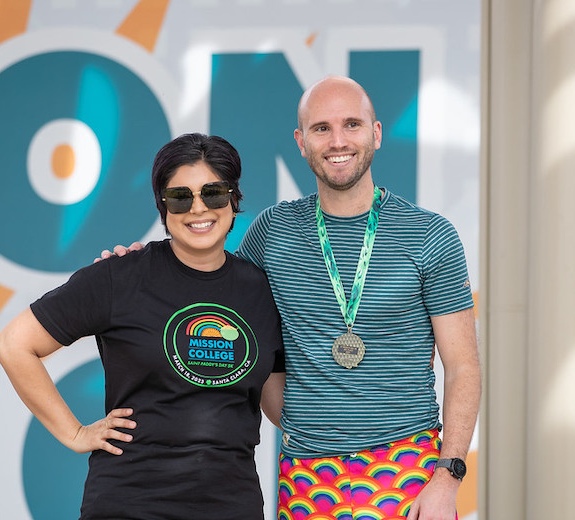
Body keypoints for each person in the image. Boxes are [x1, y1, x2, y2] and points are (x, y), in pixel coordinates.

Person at [104, 76, 481, 520]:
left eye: (352, 125)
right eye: (321, 128)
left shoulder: (429, 236)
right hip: (306, 473)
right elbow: (207, 292)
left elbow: (462, 366)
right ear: (301, 143)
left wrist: (448, 477)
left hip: (409, 469)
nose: (337, 140)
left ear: (376, 134)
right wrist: (134, 266)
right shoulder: (273, 232)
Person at [0, 133, 285, 520]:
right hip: (129, 503)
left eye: (213, 193)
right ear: (162, 208)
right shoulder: (120, 277)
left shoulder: (262, 291)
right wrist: (76, 433)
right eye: (180, 197)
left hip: (231, 505)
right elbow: (13, 345)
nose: (198, 209)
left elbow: (277, 404)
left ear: (234, 200)